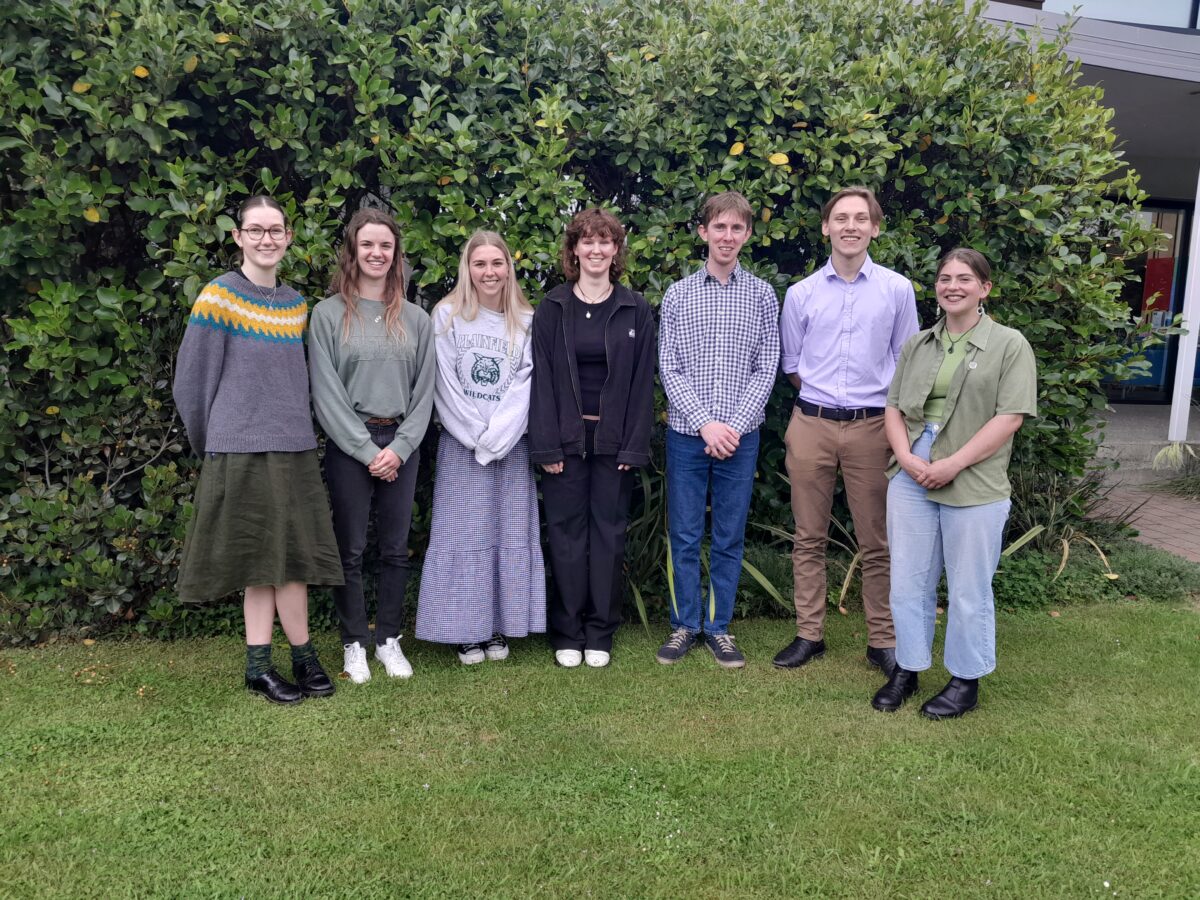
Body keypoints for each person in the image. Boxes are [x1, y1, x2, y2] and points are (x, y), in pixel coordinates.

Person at [174, 195, 343, 705]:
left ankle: (304, 657)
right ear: (238, 237)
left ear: (289, 237)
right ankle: (257, 665)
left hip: (293, 447)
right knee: (257, 563)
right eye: (255, 230)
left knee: (291, 561)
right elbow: (192, 382)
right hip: (239, 449)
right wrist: (214, 441)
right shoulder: (219, 297)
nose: (266, 239)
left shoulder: (295, 304)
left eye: (275, 230)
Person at [871, 248, 1036, 718]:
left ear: (985, 288)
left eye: (964, 278)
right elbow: (894, 407)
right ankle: (907, 667)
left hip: (974, 475)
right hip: (912, 471)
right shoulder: (919, 344)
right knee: (908, 580)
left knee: (968, 586)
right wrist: (905, 457)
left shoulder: (1010, 344)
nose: (952, 286)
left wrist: (952, 464)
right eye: (945, 278)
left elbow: (1010, 418)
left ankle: (965, 680)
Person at [775, 186, 919, 676]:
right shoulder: (801, 294)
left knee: (876, 541)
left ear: (875, 228)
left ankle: (882, 641)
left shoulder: (898, 290)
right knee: (808, 536)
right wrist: (822, 404)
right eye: (841, 218)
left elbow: (906, 364)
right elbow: (793, 365)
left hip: (873, 427)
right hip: (811, 425)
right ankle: (809, 634)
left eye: (861, 218)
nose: (851, 226)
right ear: (826, 227)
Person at [309, 208, 435, 683]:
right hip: (350, 444)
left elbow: (425, 392)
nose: (376, 253)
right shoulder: (326, 316)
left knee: (396, 549)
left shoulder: (417, 319)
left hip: (402, 443)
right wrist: (366, 451)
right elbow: (325, 392)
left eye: (385, 246)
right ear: (353, 251)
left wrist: (399, 448)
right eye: (367, 245)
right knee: (351, 550)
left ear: (396, 254)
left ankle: (388, 640)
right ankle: (354, 643)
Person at [656, 191, 779, 669]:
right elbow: (670, 366)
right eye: (719, 228)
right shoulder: (679, 295)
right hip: (689, 433)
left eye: (737, 229)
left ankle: (719, 626)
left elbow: (766, 366)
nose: (727, 237)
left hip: (741, 436)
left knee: (728, 535)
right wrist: (707, 424)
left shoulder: (762, 295)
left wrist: (732, 426)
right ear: (704, 232)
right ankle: (685, 624)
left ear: (747, 235)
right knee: (685, 534)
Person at [530, 209, 656, 668]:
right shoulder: (552, 308)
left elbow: (644, 382)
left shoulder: (635, 309)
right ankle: (567, 630)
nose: (597, 249)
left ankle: (600, 632)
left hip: (613, 440)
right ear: (574, 250)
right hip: (564, 438)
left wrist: (632, 445)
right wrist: (545, 445)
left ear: (616, 250)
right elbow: (540, 380)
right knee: (565, 536)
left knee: (608, 535)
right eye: (588, 241)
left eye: (606, 241)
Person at [416, 231, 546, 662]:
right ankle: (464, 631)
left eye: (497, 263)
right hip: (463, 446)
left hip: (512, 446)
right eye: (480, 264)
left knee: (506, 534)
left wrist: (499, 436)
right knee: (464, 536)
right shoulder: (448, 316)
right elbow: (445, 386)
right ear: (467, 269)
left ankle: (497, 627)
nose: (489, 272)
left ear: (509, 267)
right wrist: (476, 434)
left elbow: (527, 385)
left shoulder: (527, 320)